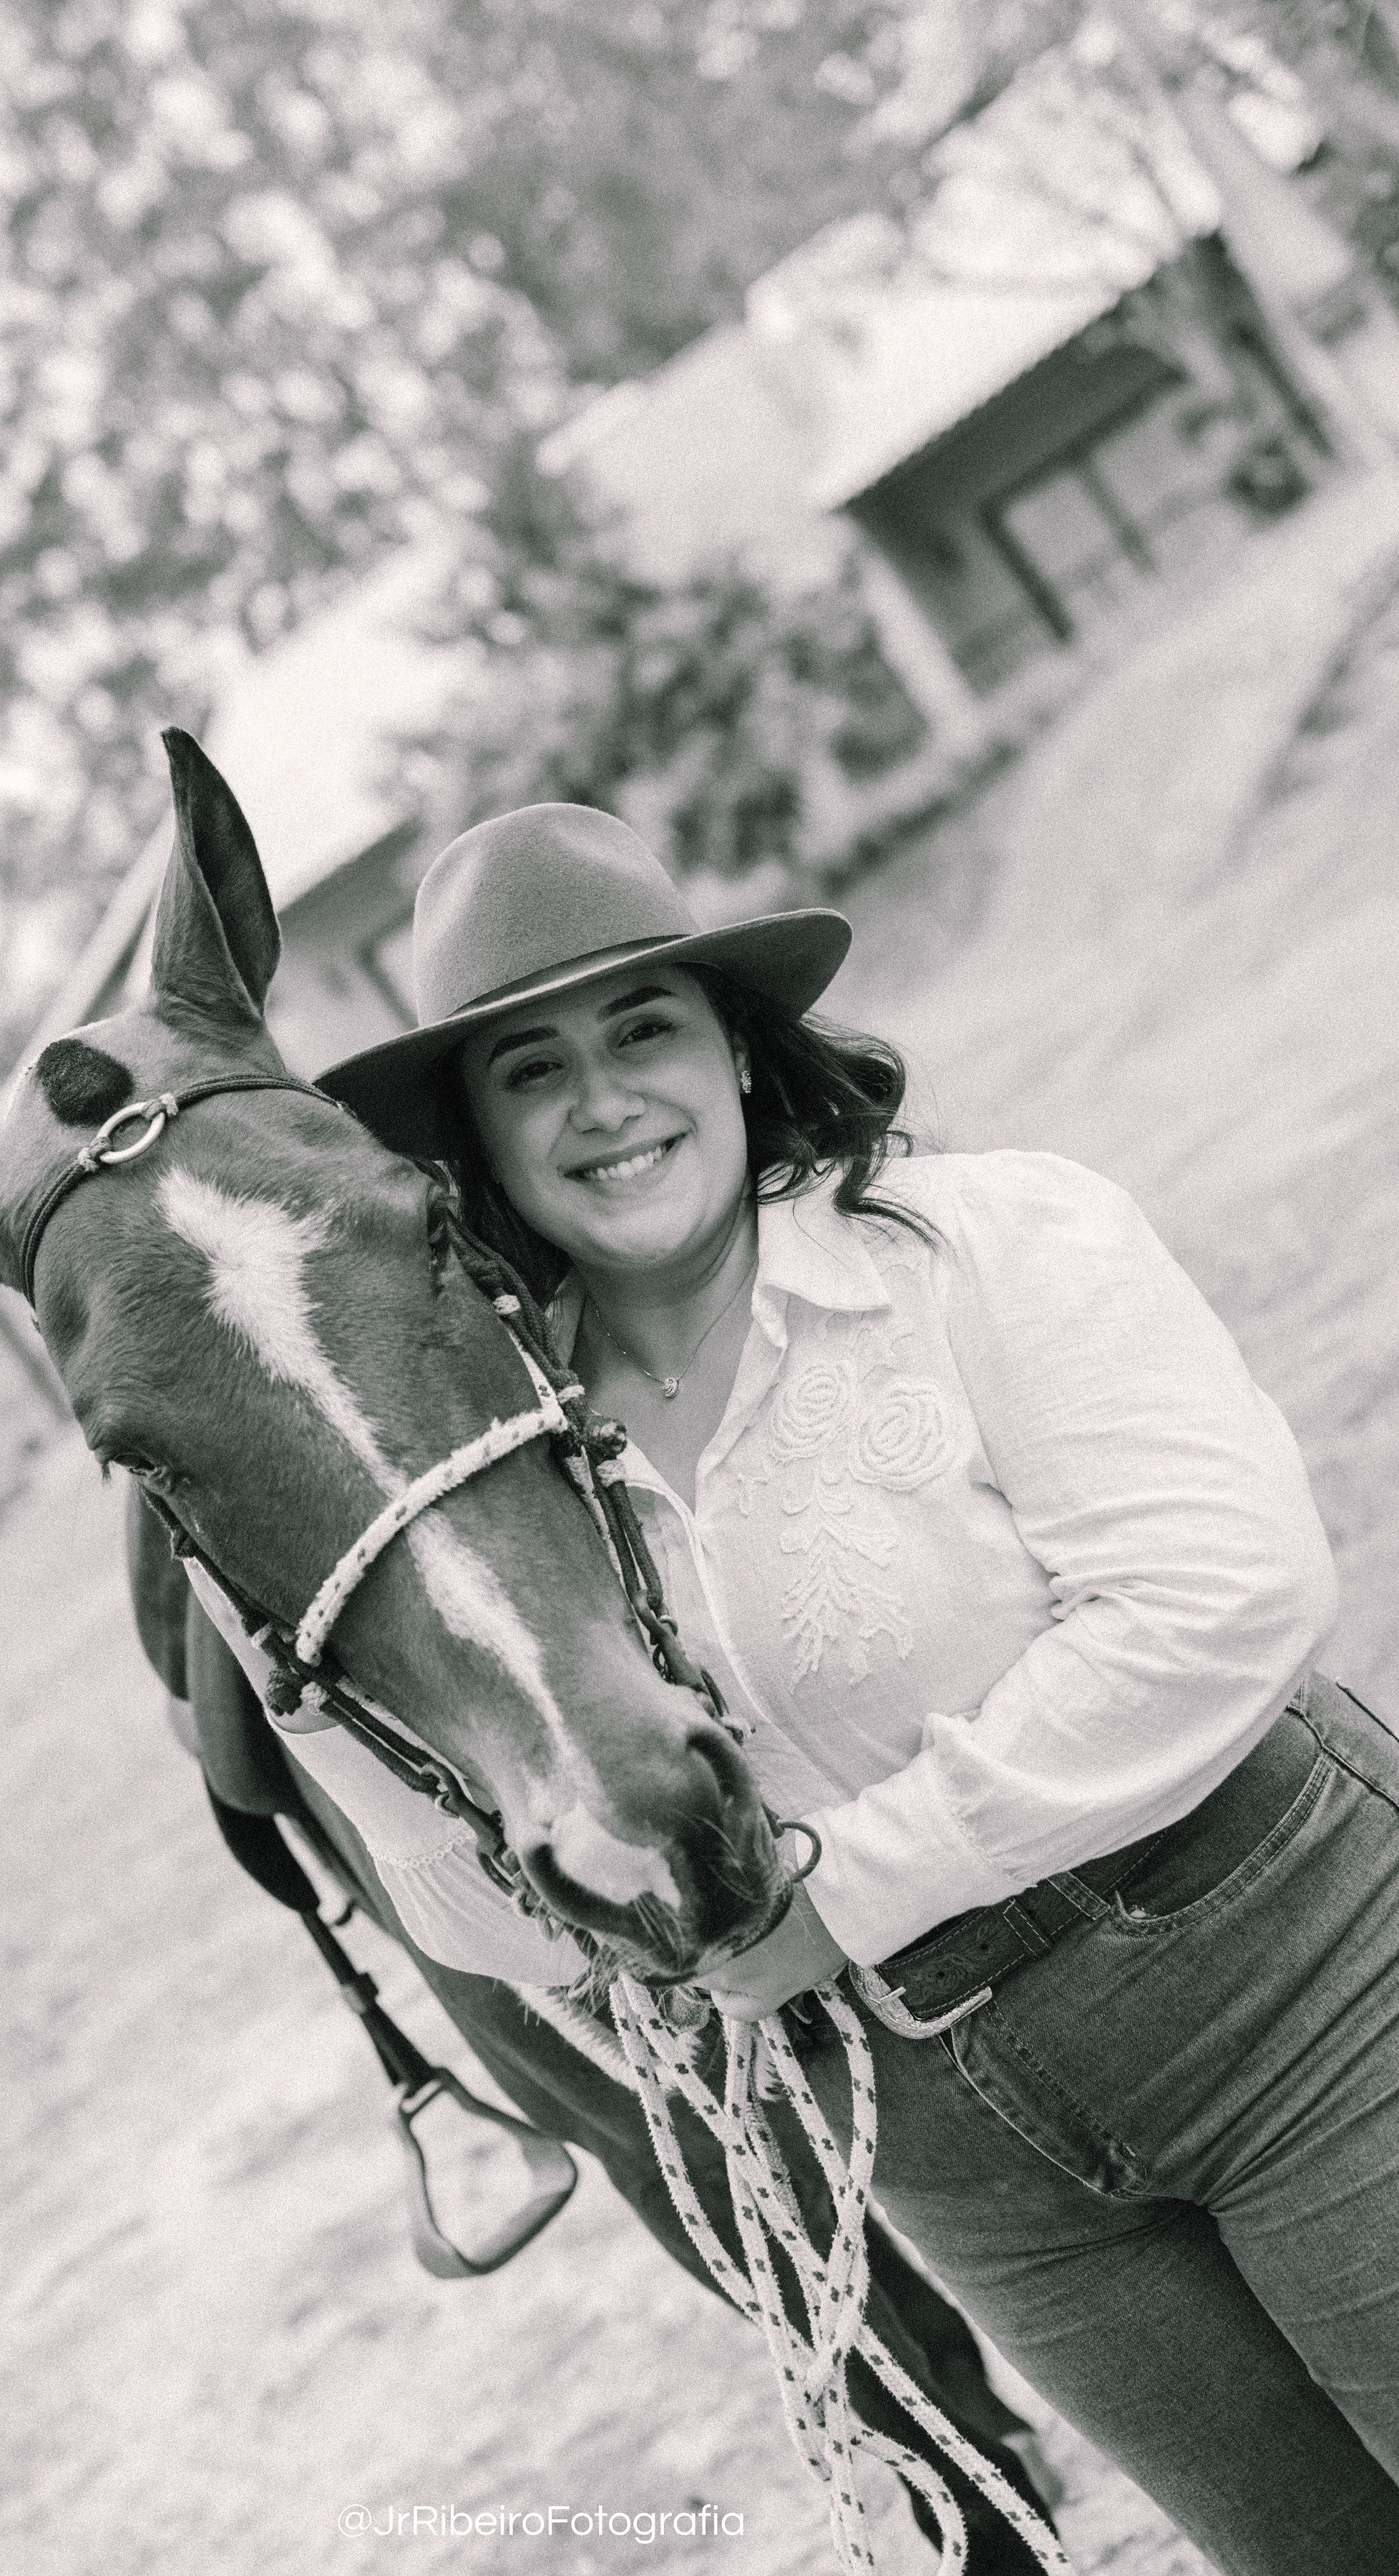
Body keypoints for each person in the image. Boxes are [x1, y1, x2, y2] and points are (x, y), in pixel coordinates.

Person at [210, 801, 1399, 2572]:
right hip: (959, 2160)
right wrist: (311, 1684)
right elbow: (511, 1918)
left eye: (643, 1031)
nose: (602, 1103)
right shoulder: (504, 1472)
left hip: (1282, 1987)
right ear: (476, 1143)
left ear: (740, 1055)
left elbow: (1218, 1598)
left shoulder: (982, 1248)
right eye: (530, 1071)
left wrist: (843, 1895)